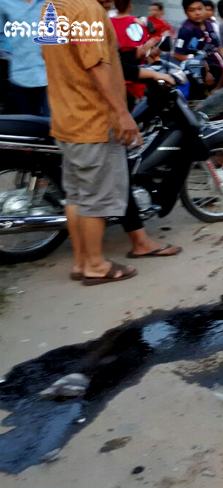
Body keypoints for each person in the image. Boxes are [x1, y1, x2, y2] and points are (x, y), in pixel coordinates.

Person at [42, 0, 141, 284]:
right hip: (92, 120)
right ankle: (96, 265)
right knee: (96, 199)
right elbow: (95, 64)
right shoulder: (87, 10)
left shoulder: (52, 6)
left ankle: (81, 262)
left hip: (66, 118)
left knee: (76, 197)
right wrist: (122, 113)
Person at [0, 0, 49, 116]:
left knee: (53, 124)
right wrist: (12, 51)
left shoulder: (53, 2)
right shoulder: (4, 3)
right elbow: (1, 35)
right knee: (26, 124)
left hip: (52, 77)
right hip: (20, 76)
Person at [175, 0, 223, 92]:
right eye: (192, 10)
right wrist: (205, 71)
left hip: (220, 70)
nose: (197, 13)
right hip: (201, 76)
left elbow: (219, 47)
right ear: (186, 12)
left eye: (200, 9)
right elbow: (178, 55)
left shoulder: (209, 24)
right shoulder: (186, 30)